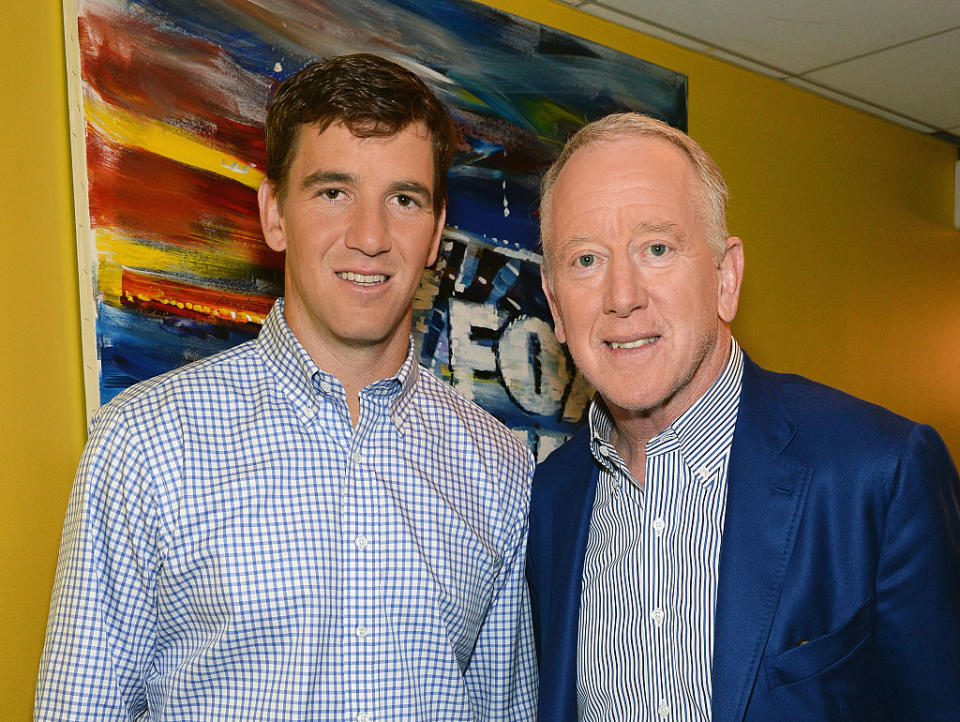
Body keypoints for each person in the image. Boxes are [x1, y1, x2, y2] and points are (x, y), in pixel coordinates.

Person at [36, 54, 536, 721]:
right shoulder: (145, 443)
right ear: (275, 214)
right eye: (334, 193)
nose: (370, 238)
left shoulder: (500, 467)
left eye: (404, 200)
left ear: (436, 233)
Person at [527, 112, 960, 721]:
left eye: (657, 248)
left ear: (725, 277)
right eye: (586, 261)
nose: (622, 296)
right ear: (555, 305)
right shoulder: (553, 496)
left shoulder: (877, 473)